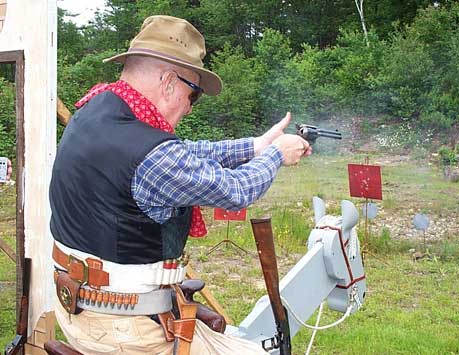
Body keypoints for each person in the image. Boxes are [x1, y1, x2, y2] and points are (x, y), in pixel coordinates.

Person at [49, 15, 310, 355]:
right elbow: (235, 191)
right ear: (170, 82)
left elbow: (184, 154)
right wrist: (276, 154)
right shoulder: (148, 151)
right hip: (122, 329)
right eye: (194, 95)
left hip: (80, 311)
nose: (189, 108)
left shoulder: (97, 110)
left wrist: (257, 146)